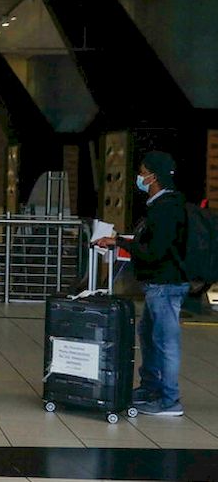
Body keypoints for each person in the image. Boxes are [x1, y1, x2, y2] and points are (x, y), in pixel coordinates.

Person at [94, 151, 189, 417]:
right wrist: (124, 241)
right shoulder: (159, 204)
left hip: (165, 284)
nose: (139, 177)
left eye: (142, 171)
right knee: (149, 336)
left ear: (153, 177)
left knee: (165, 341)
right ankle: (150, 388)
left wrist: (121, 242)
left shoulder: (167, 207)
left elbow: (154, 250)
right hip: (158, 284)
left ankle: (169, 401)